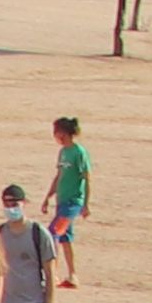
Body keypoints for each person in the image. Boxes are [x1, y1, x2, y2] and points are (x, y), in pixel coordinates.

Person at [45, 118, 92, 288]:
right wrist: (48, 196)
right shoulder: (63, 152)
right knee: (65, 238)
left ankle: (53, 274)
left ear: (63, 133)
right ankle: (72, 275)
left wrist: (86, 204)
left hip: (72, 202)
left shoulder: (79, 152)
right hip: (61, 201)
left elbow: (87, 178)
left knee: (53, 233)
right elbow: (59, 176)